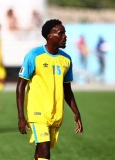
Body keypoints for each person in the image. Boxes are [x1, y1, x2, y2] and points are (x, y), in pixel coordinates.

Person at [16, 19, 83, 160]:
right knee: (45, 153)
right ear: (49, 36)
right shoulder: (34, 55)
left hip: (55, 114)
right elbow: (20, 85)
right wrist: (21, 117)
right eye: (61, 33)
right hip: (37, 113)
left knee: (40, 152)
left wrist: (76, 112)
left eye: (65, 33)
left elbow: (67, 90)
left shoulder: (66, 60)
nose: (65, 36)